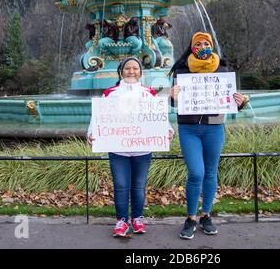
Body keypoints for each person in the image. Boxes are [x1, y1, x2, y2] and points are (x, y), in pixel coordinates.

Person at [169, 32, 248, 240]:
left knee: (211, 173)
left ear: (211, 46)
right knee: (196, 172)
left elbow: (231, 100)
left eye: (206, 43)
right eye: (198, 44)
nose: (202, 46)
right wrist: (172, 97)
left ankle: (206, 215)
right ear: (192, 47)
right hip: (189, 128)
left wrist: (239, 102)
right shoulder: (181, 69)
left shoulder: (222, 69)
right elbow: (174, 102)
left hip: (214, 128)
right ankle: (191, 218)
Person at [88, 57, 174, 237]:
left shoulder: (149, 93)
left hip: (142, 149)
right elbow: (97, 117)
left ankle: (137, 218)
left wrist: (168, 131)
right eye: (128, 68)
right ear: (121, 71)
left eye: (135, 68)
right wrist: (91, 133)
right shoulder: (110, 93)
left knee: (139, 185)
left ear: (141, 72)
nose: (131, 71)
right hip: (118, 148)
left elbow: (159, 117)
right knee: (120, 185)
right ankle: (121, 221)